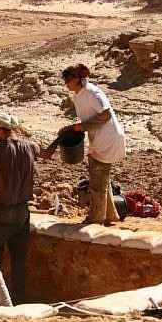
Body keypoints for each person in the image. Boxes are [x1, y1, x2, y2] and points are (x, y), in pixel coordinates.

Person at [0, 112, 39, 302]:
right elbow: (44, 152)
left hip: (1, 210)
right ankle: (18, 300)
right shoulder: (31, 147)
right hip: (22, 211)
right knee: (19, 260)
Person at [58, 64, 126, 226]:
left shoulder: (92, 92)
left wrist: (79, 127)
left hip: (107, 140)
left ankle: (96, 218)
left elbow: (105, 115)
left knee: (97, 182)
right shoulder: (80, 94)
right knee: (101, 179)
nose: (66, 83)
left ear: (78, 79)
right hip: (99, 139)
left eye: (68, 80)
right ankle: (110, 214)